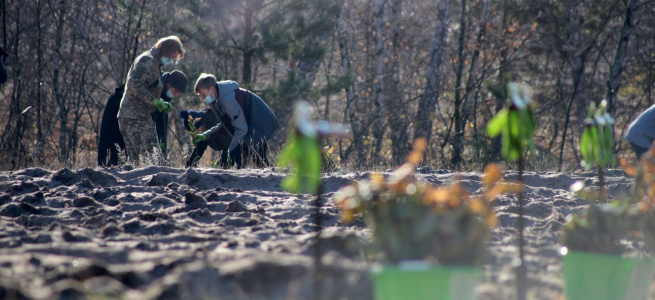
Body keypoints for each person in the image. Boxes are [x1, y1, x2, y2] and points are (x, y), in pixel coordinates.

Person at [117, 35, 185, 164]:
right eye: (172, 57)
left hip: (134, 115)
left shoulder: (155, 64)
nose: (172, 61)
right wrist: (153, 101)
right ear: (165, 51)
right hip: (136, 116)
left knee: (136, 161)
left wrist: (160, 103)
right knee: (154, 160)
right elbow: (133, 82)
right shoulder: (148, 60)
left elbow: (147, 86)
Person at [98, 70, 188, 166]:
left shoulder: (162, 97)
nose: (176, 95)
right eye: (175, 91)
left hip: (133, 116)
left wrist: (162, 143)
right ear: (168, 84)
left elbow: (159, 121)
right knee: (112, 150)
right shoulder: (154, 82)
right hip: (118, 108)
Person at [192, 73, 279, 168]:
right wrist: (205, 135)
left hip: (261, 123)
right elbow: (225, 125)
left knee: (240, 154)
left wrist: (230, 152)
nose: (202, 98)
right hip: (253, 125)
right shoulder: (218, 99)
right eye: (200, 95)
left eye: (203, 94)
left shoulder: (228, 100)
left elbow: (241, 129)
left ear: (212, 89)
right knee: (258, 159)